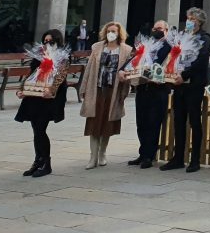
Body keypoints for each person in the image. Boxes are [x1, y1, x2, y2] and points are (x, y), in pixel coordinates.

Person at [162, 6, 210, 172]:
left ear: (200, 22)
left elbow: (201, 60)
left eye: (193, 20)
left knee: (194, 121)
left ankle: (195, 160)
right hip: (178, 85)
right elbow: (174, 55)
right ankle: (177, 158)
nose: (189, 22)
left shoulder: (204, 38)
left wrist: (184, 74)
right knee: (178, 120)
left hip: (193, 84)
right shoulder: (181, 36)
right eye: (188, 19)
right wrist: (170, 72)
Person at [15, 28, 69, 178]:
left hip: (50, 98)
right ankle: (38, 160)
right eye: (45, 41)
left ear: (57, 41)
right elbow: (31, 74)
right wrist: (22, 90)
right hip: (34, 96)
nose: (47, 43)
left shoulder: (62, 57)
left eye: (50, 41)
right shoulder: (38, 56)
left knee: (40, 128)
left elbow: (60, 77)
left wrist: (51, 91)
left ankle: (46, 163)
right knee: (36, 129)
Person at [80, 21, 133, 169]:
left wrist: (125, 92)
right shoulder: (97, 47)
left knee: (107, 124)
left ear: (119, 33)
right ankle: (92, 156)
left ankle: (102, 153)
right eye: (109, 31)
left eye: (114, 31)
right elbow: (89, 68)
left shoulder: (126, 50)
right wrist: (83, 88)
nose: (111, 33)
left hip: (113, 91)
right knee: (93, 123)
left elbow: (128, 72)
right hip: (96, 89)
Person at [123, 20, 171, 169]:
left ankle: (149, 156)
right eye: (155, 28)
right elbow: (134, 59)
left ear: (166, 30)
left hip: (158, 88)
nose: (156, 30)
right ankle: (142, 153)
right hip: (143, 86)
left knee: (153, 122)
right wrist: (123, 69)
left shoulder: (169, 46)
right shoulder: (147, 44)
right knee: (141, 122)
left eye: (160, 28)